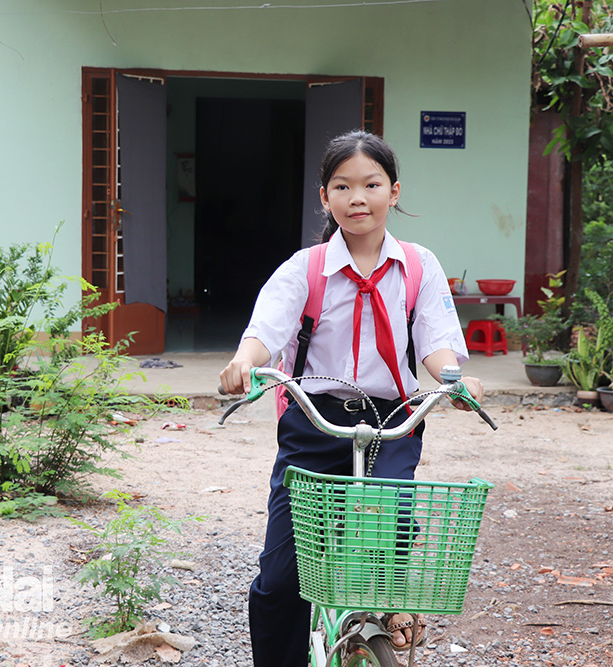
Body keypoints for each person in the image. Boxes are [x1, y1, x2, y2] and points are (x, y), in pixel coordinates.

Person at [219, 129, 485, 667]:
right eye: (342, 186)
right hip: (315, 423)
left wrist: (456, 380)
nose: (357, 198)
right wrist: (246, 362)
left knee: (392, 528)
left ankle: (377, 619)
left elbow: (435, 342)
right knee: (281, 579)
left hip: (392, 423)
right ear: (325, 196)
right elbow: (267, 329)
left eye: (371, 184)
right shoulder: (305, 268)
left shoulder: (419, 265)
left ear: (395, 191)